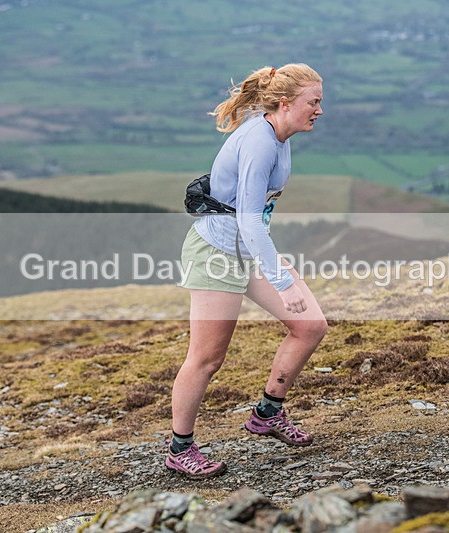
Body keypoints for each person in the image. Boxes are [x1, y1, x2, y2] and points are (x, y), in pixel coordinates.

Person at [166, 63, 328, 479]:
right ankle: (180, 448)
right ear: (286, 103)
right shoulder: (260, 142)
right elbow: (248, 220)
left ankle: (267, 413)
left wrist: (271, 259)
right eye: (314, 102)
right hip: (216, 252)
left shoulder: (278, 132)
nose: (319, 111)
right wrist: (278, 276)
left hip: (247, 250)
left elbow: (256, 218)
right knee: (206, 358)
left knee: (310, 326)